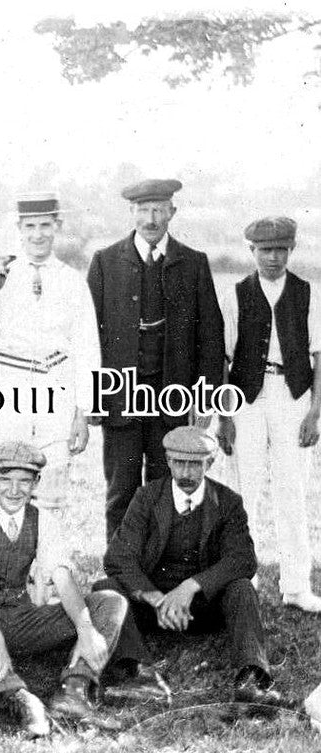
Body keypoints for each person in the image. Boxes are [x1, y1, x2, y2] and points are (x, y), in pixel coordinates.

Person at [0, 441, 128, 736]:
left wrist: (86, 628)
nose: (14, 490)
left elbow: (62, 577)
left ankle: (74, 690)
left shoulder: (42, 519)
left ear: (36, 482)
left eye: (24, 481)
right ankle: (19, 698)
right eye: (5, 480)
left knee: (110, 601)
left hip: (21, 617)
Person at [96, 427, 287, 710]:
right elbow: (118, 558)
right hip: (153, 609)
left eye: (195, 464)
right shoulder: (146, 498)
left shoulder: (228, 502)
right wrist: (157, 599)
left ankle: (251, 679)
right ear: (169, 462)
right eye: (179, 463)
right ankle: (138, 673)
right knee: (105, 589)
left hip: (205, 607)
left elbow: (243, 559)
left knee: (242, 588)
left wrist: (190, 587)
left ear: (209, 464)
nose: (185, 473)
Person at [86, 179, 225, 540]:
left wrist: (206, 397)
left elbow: (210, 336)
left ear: (172, 212)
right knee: (122, 490)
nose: (151, 218)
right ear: (132, 212)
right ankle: (119, 574)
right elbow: (88, 337)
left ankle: (163, 566)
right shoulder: (105, 262)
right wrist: (92, 395)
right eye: (144, 210)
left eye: (159, 209)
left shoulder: (193, 263)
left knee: (167, 488)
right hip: (121, 399)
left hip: (173, 401)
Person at [0, 193, 98, 509]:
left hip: (57, 388)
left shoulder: (72, 280)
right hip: (10, 388)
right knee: (10, 481)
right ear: (19, 229)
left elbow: (87, 347)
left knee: (52, 490)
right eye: (30, 226)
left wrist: (82, 412)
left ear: (56, 226)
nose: (38, 234)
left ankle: (48, 558)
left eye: (45, 225)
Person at [217, 216, 321, 612]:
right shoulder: (236, 293)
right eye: (265, 250)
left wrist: (314, 413)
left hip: (292, 395)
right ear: (252, 251)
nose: (273, 257)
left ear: (291, 250)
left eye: (281, 249)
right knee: (244, 492)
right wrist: (224, 416)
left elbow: (318, 354)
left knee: (291, 490)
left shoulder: (306, 293)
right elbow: (223, 359)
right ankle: (245, 581)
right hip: (246, 397)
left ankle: (296, 586)